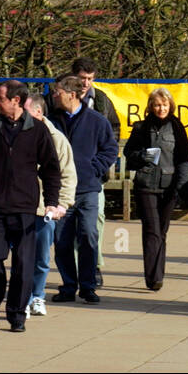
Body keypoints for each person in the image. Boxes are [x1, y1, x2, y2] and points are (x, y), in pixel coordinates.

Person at [0, 80, 64, 332]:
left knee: (23, 263)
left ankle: (17, 313)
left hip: (25, 208)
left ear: (16, 101)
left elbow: (52, 169)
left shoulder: (37, 130)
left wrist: (52, 202)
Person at [50, 74, 118, 303]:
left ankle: (88, 286)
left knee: (88, 235)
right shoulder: (52, 121)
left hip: (88, 189)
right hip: (60, 192)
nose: (54, 95)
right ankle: (69, 285)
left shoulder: (98, 121)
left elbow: (110, 150)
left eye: (57, 91)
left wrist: (92, 169)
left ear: (71, 94)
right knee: (62, 240)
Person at [124, 87, 188, 291]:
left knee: (162, 231)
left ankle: (157, 271)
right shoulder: (141, 128)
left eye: (164, 104)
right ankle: (154, 277)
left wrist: (181, 187)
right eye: (156, 104)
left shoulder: (177, 128)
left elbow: (184, 159)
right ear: (150, 106)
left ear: (170, 105)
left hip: (169, 186)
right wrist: (141, 155)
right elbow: (129, 154)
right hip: (146, 185)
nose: (160, 108)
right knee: (152, 230)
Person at [23, 91, 77, 316]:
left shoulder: (57, 139)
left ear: (37, 112)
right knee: (20, 257)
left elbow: (68, 175)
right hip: (20, 205)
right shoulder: (15, 134)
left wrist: (61, 205)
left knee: (41, 258)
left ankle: (37, 296)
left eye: (24, 111)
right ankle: (21, 298)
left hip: (46, 208)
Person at [71, 57, 121, 287]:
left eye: (90, 79)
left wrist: (99, 166)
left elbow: (114, 131)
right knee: (67, 225)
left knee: (96, 219)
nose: (86, 83)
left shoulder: (101, 100)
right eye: (82, 78)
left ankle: (94, 265)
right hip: (65, 176)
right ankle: (74, 270)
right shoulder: (59, 98)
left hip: (92, 176)